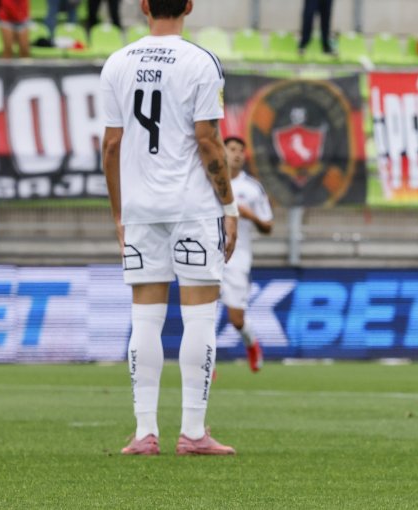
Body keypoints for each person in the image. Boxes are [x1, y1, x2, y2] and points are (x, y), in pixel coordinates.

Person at [100, 0, 239, 456]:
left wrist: (120, 213)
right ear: (189, 6)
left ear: (143, 5)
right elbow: (208, 140)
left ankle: (144, 432)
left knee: (145, 317)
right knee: (199, 316)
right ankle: (193, 433)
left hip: (140, 207)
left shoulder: (117, 62)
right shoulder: (200, 61)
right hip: (192, 205)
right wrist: (229, 205)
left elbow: (112, 144)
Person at [221, 136, 273, 373]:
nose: (237, 154)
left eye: (241, 150)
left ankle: (251, 343)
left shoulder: (251, 188)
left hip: (237, 258)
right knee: (201, 313)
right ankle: (203, 362)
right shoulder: (206, 181)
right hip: (206, 254)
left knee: (236, 319)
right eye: (232, 149)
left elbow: (268, 226)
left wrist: (248, 215)